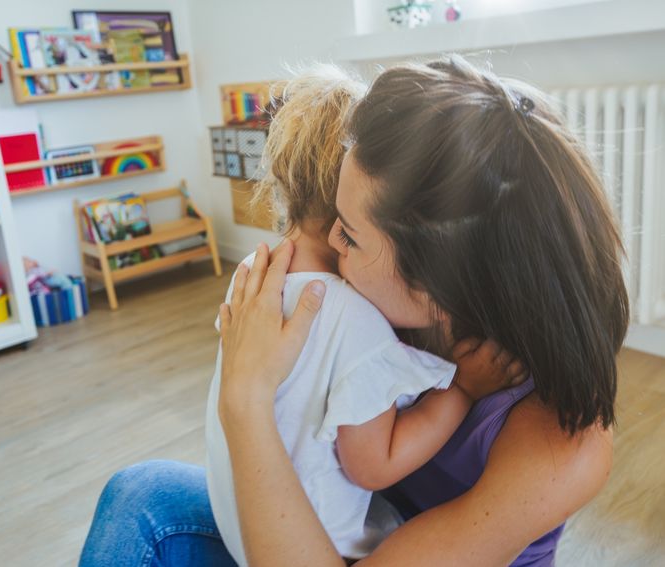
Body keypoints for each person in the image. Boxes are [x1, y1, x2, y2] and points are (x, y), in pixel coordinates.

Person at [79, 55, 627, 566]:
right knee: (140, 491)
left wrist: (243, 401)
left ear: (437, 282)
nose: (327, 247)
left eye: (350, 235)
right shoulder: (396, 302)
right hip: (353, 521)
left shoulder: (562, 447)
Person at [204, 65, 524, 566]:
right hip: (314, 545)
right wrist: (462, 389)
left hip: (239, 523)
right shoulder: (356, 320)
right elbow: (371, 466)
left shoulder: (253, 274)